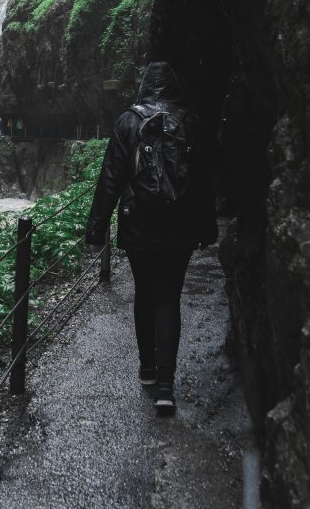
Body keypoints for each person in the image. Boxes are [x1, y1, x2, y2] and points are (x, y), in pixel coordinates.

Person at [85, 60, 217, 414]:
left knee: (144, 294)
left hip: (138, 223)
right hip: (180, 224)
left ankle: (146, 370)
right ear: (174, 87)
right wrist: (208, 227)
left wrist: (96, 229)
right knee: (169, 297)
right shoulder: (190, 122)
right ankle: (165, 386)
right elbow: (204, 180)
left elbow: (110, 177)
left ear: (144, 86)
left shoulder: (129, 120)